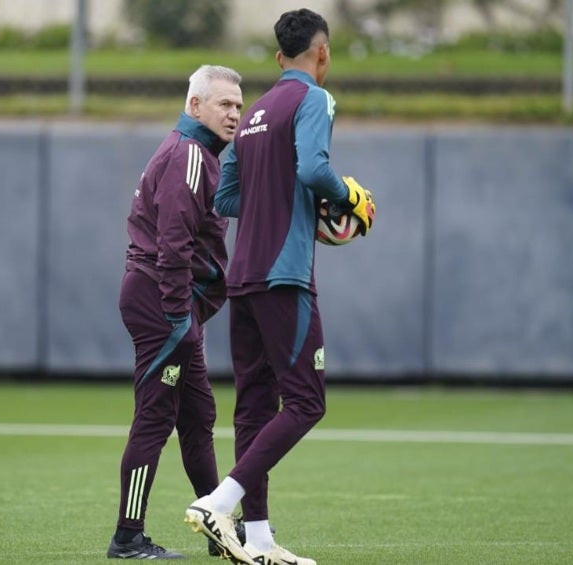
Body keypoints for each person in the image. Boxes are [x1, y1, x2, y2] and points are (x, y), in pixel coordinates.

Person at [184, 9, 375, 565]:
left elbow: (224, 201)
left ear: (277, 58)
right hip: (284, 276)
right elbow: (315, 169)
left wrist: (282, 199)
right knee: (308, 401)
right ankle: (220, 502)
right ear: (323, 54)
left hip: (241, 278)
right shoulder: (314, 99)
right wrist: (349, 200)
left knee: (253, 408)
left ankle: (260, 542)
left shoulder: (255, 112)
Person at [107, 65, 244, 560]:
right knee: (154, 419)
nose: (234, 112)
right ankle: (127, 538)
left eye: (237, 104)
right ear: (195, 107)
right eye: (224, 103)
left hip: (172, 301)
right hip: (163, 302)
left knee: (198, 417)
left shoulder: (201, 155)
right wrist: (177, 319)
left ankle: (219, 528)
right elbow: (172, 246)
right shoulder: (189, 154)